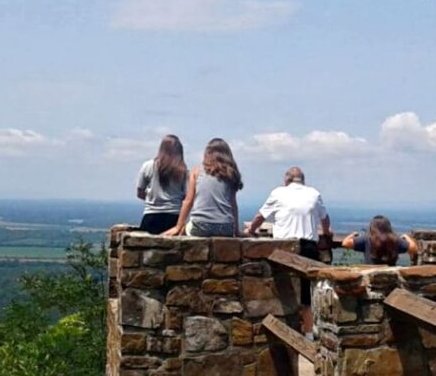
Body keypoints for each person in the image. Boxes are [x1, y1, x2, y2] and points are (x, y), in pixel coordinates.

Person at [245, 167, 331, 336]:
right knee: (307, 295)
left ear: (286, 180)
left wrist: (251, 230)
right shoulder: (314, 193)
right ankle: (308, 335)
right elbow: (325, 219)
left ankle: (282, 332)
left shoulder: (278, 193)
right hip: (309, 247)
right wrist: (327, 233)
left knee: (282, 291)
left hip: (283, 248)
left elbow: (260, 217)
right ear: (303, 180)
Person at [164, 138, 243, 237]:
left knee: (184, 229)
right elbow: (233, 205)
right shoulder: (230, 174)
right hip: (225, 227)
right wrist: (236, 231)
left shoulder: (196, 172)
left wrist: (178, 226)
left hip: (200, 226)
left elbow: (188, 201)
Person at [135, 135, 187, 234]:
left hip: (151, 216)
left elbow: (139, 192)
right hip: (174, 217)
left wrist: (153, 199)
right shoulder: (183, 170)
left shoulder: (148, 166)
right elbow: (186, 196)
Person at [342, 215, 417, 266]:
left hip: (370, 275)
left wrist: (352, 234)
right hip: (389, 276)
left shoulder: (367, 239)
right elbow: (414, 249)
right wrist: (407, 237)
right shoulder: (395, 240)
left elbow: (345, 243)